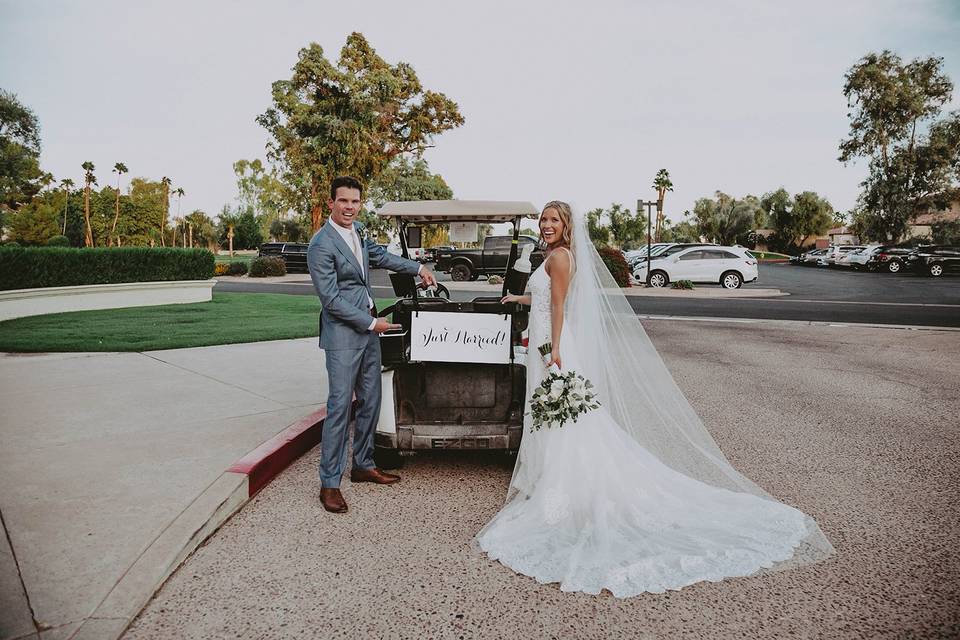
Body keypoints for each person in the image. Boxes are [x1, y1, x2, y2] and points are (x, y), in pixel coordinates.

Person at [477, 201, 834, 596]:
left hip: (551, 347)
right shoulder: (552, 256)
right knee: (555, 415)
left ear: (566, 226)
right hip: (544, 342)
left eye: (553, 220)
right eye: (543, 220)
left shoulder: (561, 257)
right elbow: (544, 302)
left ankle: (563, 485)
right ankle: (550, 477)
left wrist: (553, 349)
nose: (546, 225)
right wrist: (518, 302)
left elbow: (560, 305)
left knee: (563, 417)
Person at [307, 176, 436, 514]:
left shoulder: (360, 231)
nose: (350, 207)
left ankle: (363, 464)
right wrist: (371, 323)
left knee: (371, 399)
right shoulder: (320, 244)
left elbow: (381, 256)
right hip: (344, 334)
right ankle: (330, 483)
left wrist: (418, 267)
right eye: (343, 201)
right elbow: (331, 300)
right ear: (332, 202)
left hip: (369, 331)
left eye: (355, 201)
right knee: (339, 407)